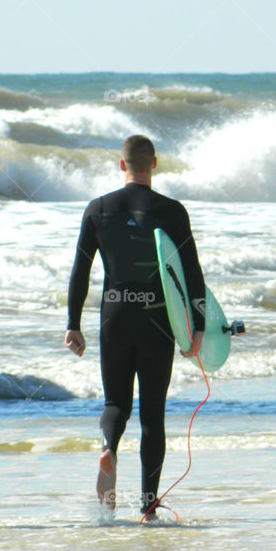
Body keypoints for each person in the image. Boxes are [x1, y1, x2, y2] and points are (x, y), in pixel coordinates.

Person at [64, 135, 206, 519]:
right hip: (157, 316)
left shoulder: (98, 209)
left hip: (114, 312)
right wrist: (199, 326)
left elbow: (81, 270)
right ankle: (148, 507)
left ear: (121, 164)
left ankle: (109, 446)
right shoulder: (172, 210)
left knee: (115, 402)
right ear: (154, 164)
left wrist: (73, 324)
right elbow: (191, 272)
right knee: (152, 413)